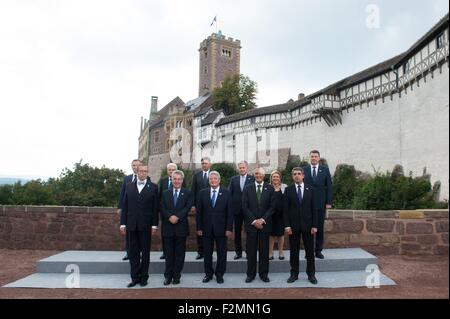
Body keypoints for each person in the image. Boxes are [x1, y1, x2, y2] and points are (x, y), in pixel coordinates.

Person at [120, 164, 159, 288]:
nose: (143, 173)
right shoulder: (129, 186)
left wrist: (154, 225)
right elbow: (125, 207)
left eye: (145, 171)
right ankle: (134, 278)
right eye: (141, 171)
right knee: (133, 253)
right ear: (137, 172)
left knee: (145, 253)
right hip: (131, 225)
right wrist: (122, 223)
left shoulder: (153, 187)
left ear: (147, 173)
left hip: (146, 225)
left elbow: (155, 208)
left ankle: (144, 278)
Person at [196, 171, 233, 284]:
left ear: (219, 180)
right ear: (209, 180)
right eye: (211, 179)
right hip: (206, 229)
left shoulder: (226, 193)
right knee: (207, 253)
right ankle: (208, 274)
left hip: (222, 229)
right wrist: (199, 228)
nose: (213, 180)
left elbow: (230, 213)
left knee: (222, 253)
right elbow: (199, 212)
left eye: (215, 179)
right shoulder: (202, 193)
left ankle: (219, 274)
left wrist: (229, 228)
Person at [284, 167, 318, 285]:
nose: (297, 176)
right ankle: (294, 274)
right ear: (292, 176)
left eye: (299, 174)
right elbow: (285, 210)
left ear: (303, 176)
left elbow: (314, 209)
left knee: (310, 251)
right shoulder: (288, 190)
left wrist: (315, 225)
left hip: (308, 226)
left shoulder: (311, 189)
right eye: (294, 174)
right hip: (293, 227)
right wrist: (287, 226)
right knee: (294, 251)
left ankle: (311, 274)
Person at [160, 170, 193, 286]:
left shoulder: (187, 193)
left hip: (181, 227)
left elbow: (187, 207)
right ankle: (168, 276)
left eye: (179, 179)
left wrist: (177, 216)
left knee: (179, 254)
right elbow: (162, 208)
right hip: (168, 227)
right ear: (172, 180)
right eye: (175, 179)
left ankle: (176, 276)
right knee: (168, 254)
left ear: (182, 180)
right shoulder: (165, 193)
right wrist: (170, 216)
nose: (177, 181)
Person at [242, 167, 275, 283]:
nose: (258, 176)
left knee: (264, 251)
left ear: (264, 175)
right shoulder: (247, 188)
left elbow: (272, 207)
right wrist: (254, 221)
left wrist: (262, 220)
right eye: (256, 173)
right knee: (250, 251)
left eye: (260, 174)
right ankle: (250, 275)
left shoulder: (270, 188)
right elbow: (244, 207)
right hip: (251, 226)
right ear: (253, 175)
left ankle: (263, 274)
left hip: (264, 225)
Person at [303, 150, 333, 259]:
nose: (314, 158)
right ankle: (308, 251)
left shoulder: (324, 170)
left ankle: (318, 250)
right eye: (312, 156)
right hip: (307, 204)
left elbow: (329, 186)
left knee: (319, 228)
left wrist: (328, 202)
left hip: (320, 204)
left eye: (316, 156)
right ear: (309, 158)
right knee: (307, 228)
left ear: (319, 158)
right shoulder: (304, 170)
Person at [158, 163, 186, 260]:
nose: (171, 171)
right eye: (169, 169)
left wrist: (177, 216)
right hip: (166, 214)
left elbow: (185, 196)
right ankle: (165, 252)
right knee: (165, 234)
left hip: (179, 215)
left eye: (173, 169)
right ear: (167, 171)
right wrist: (166, 214)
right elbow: (160, 197)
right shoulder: (163, 181)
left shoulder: (181, 181)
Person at [228, 161, 255, 260]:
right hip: (237, 210)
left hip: (249, 210)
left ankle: (249, 252)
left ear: (247, 168)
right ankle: (238, 252)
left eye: (243, 167)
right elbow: (229, 194)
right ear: (238, 169)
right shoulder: (233, 179)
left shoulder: (252, 179)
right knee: (237, 232)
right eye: (240, 168)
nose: (242, 169)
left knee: (249, 232)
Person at [117, 159, 141, 261]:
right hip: (128, 210)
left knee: (139, 232)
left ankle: (139, 253)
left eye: (137, 165)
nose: (135, 167)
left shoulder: (146, 178)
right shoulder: (127, 178)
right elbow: (122, 193)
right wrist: (120, 207)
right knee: (128, 233)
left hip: (140, 211)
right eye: (133, 165)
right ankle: (128, 253)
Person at [191, 157, 213, 260]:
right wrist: (193, 205)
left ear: (210, 164)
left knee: (211, 229)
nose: (204, 165)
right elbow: (193, 191)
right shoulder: (197, 175)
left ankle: (210, 252)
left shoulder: (214, 175)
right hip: (199, 207)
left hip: (211, 207)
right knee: (199, 229)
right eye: (203, 163)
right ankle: (200, 252)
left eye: (206, 163)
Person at [268, 170, 287, 261]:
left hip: (281, 215)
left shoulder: (284, 187)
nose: (275, 178)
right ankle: (270, 253)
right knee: (271, 235)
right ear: (271, 178)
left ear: (280, 178)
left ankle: (281, 252)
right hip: (270, 215)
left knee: (280, 234)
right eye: (273, 177)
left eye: (277, 177)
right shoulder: (267, 187)